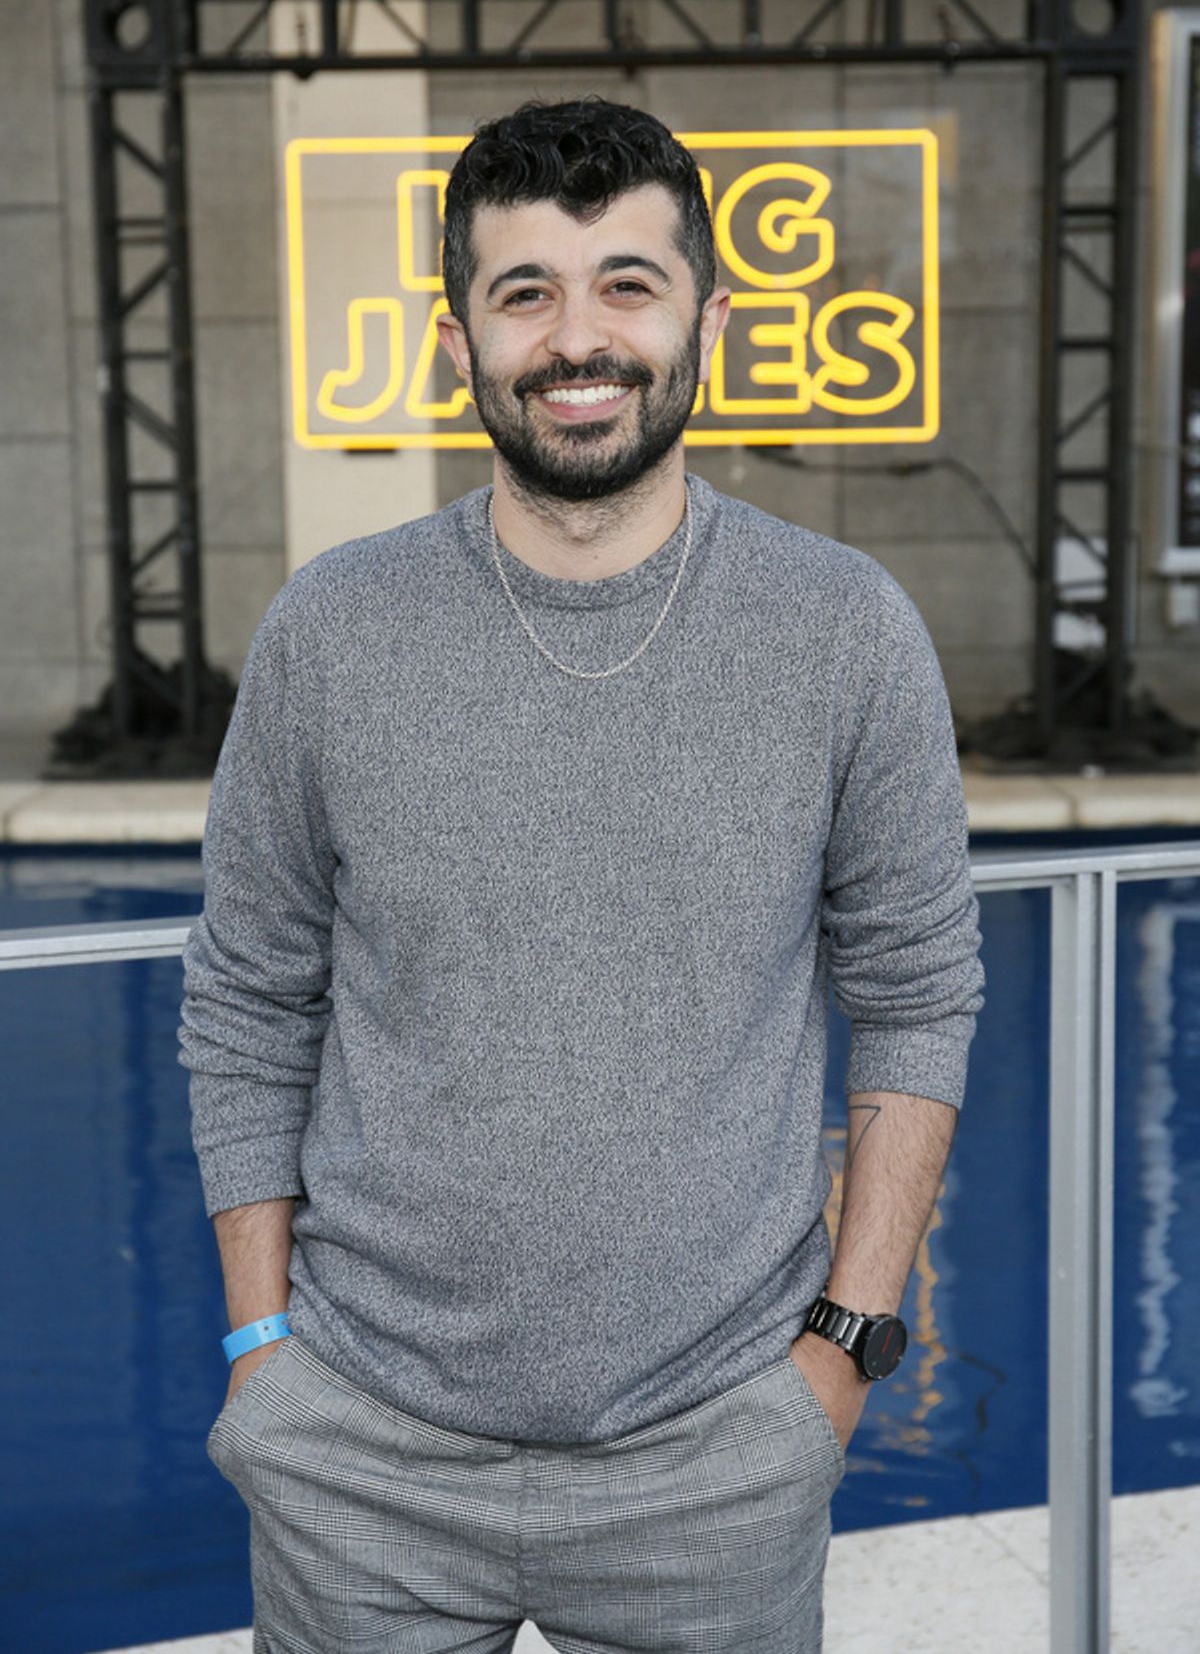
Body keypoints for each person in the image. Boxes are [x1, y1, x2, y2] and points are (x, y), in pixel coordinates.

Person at [178, 96, 984, 1654]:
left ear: (707, 323)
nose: (577, 339)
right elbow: (250, 999)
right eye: (525, 291)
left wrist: (843, 1348)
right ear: (458, 342)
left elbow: (917, 995)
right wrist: (260, 1348)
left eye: (628, 283)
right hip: (357, 1451)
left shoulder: (845, 629)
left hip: (719, 1455)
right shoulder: (331, 633)